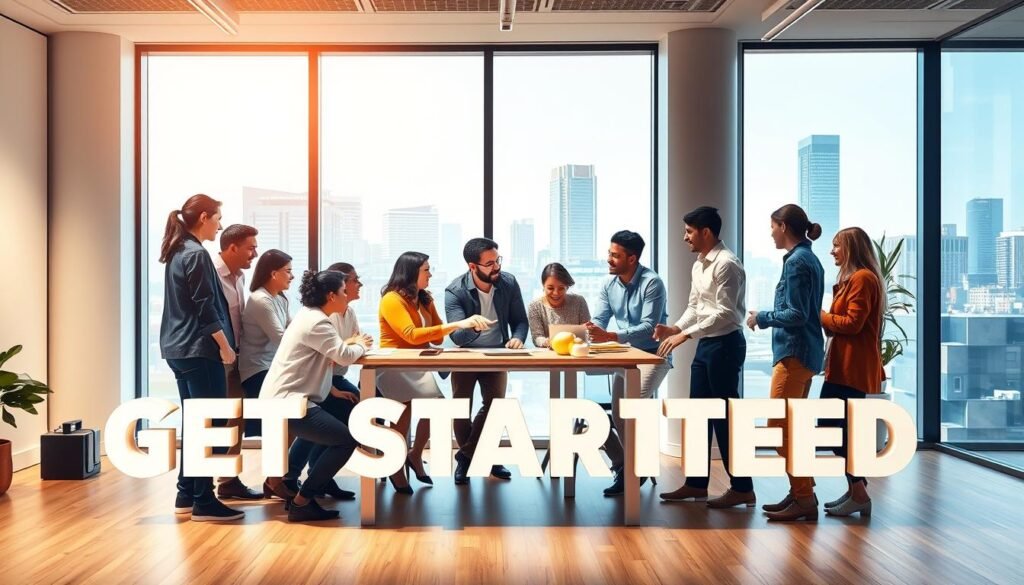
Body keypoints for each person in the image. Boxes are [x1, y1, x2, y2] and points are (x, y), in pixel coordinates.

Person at [655, 207, 756, 508]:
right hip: (706, 345)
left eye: (689, 231)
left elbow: (725, 313)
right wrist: (676, 327)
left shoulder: (727, 264)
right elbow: (695, 306)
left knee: (724, 418)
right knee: (698, 415)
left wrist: (685, 335)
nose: (684, 237)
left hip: (726, 345)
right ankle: (697, 484)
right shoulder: (699, 264)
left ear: (706, 232)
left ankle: (743, 487)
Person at [259, 269, 370, 522]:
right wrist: (361, 343)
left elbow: (313, 363)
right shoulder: (317, 322)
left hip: (296, 397)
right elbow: (342, 355)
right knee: (345, 440)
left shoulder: (310, 317)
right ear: (331, 296)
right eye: (344, 291)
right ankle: (303, 501)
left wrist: (333, 389)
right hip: (287, 402)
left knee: (346, 412)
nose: (346, 295)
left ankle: (315, 485)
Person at [158, 193, 244, 522]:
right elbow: (204, 306)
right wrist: (225, 346)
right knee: (211, 424)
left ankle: (186, 492)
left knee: (195, 423)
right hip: (199, 349)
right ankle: (204, 501)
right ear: (205, 217)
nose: (220, 225)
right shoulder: (196, 254)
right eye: (218, 218)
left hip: (177, 349)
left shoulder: (178, 251)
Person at [379, 251, 492, 493]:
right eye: (426, 270)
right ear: (411, 273)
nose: (430, 274)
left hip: (416, 365)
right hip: (395, 366)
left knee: (438, 407)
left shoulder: (423, 298)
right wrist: (458, 323)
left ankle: (415, 454)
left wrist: (459, 327)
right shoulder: (391, 299)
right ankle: (394, 467)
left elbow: (438, 336)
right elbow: (410, 334)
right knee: (402, 417)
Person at [746, 203, 825, 522]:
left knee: (777, 427)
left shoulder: (797, 262)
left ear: (783, 226)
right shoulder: (807, 258)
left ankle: (804, 496)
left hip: (793, 355)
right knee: (792, 427)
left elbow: (796, 314)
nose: (770, 232)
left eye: (772, 226)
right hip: (803, 353)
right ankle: (801, 492)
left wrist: (761, 317)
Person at [586, 230, 671, 496]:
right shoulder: (608, 285)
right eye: (609, 253)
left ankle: (635, 469)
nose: (609, 259)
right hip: (625, 355)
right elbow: (600, 319)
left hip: (652, 355)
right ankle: (630, 468)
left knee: (628, 410)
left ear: (632, 258)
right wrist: (589, 331)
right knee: (618, 414)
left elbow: (649, 327)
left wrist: (611, 335)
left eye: (615, 255)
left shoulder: (652, 283)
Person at [445, 237, 529, 485]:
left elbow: (520, 321)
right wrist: (474, 326)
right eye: (490, 263)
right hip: (466, 354)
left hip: (497, 352)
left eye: (498, 260)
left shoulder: (508, 283)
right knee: (461, 408)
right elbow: (457, 336)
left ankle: (465, 458)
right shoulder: (455, 291)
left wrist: (517, 338)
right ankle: (483, 458)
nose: (497, 267)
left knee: (495, 406)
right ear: (473, 267)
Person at [818, 227, 885, 518]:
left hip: (851, 370)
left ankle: (859, 492)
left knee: (838, 431)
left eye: (837, 246)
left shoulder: (862, 279)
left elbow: (852, 323)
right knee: (839, 430)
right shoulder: (854, 279)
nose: (832, 251)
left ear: (851, 249)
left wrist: (820, 315)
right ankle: (856, 490)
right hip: (843, 368)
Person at [237, 248, 295, 501]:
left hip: (274, 368)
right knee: (278, 425)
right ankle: (274, 480)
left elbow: (293, 330)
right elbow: (282, 338)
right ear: (273, 273)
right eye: (288, 271)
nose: (291, 276)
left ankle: (276, 478)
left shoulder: (280, 298)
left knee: (287, 422)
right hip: (258, 369)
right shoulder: (260, 300)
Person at [212, 224, 263, 500]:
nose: (254, 253)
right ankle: (206, 485)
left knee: (235, 419)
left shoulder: (239, 278)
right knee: (215, 420)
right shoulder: (212, 274)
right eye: (250, 247)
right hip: (217, 359)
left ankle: (228, 480)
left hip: (236, 359)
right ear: (232, 247)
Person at [527, 263, 590, 348]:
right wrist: (547, 342)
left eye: (561, 288)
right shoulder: (535, 306)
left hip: (576, 354)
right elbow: (537, 337)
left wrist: (588, 331)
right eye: (550, 288)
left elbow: (586, 332)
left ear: (567, 287)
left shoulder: (579, 302)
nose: (556, 293)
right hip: (548, 356)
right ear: (543, 286)